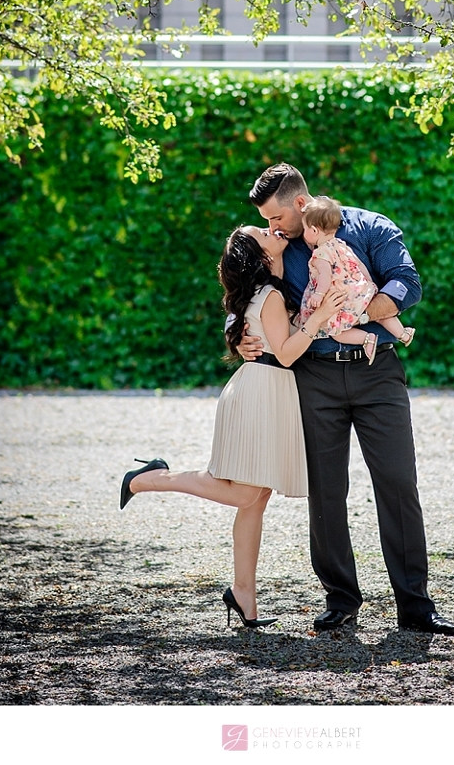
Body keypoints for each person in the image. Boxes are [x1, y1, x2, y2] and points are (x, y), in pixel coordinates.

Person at [240, 163, 454, 636]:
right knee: (326, 491)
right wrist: (234, 334)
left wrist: (355, 309)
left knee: (398, 483)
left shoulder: (372, 226)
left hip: (377, 371)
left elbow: (406, 284)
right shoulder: (276, 247)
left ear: (301, 204)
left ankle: (416, 606)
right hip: (313, 377)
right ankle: (340, 600)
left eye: (277, 218)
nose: (272, 228)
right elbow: (245, 292)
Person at [119, 224, 346, 629]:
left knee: (256, 498)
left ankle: (243, 596)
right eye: (262, 231)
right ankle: (153, 478)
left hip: (265, 389)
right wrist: (322, 317)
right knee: (244, 492)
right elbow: (289, 354)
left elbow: (254, 321)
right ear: (258, 257)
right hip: (261, 389)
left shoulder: (269, 287)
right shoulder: (272, 296)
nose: (271, 229)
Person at [298, 194, 415, 365]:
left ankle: (367, 339)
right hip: (360, 288)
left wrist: (318, 294)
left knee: (335, 330)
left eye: (304, 229)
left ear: (314, 230)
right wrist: (369, 284)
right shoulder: (341, 244)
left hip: (342, 296)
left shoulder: (320, 254)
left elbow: (325, 276)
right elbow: (359, 264)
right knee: (381, 314)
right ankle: (403, 333)